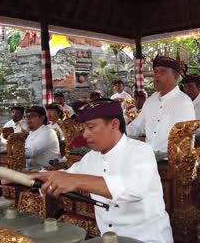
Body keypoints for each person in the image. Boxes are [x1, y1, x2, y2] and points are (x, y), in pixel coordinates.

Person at [21, 100, 173, 242]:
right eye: (85, 128)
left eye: (91, 127)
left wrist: (78, 181)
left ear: (114, 124)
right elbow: (66, 176)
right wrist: (29, 177)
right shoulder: (91, 157)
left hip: (147, 238)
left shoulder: (141, 151)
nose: (85, 134)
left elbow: (134, 188)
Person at [126, 56, 195, 157]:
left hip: (171, 161)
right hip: (148, 157)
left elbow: (184, 142)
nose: (157, 76)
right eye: (155, 72)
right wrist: (119, 133)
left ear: (176, 76)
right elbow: (137, 126)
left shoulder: (183, 103)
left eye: (162, 72)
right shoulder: (150, 101)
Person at [24, 106, 61, 171]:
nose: (28, 119)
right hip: (31, 170)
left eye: (32, 116)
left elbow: (30, 152)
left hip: (46, 172)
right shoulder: (30, 133)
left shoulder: (48, 133)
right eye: (26, 116)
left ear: (42, 118)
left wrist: (11, 150)